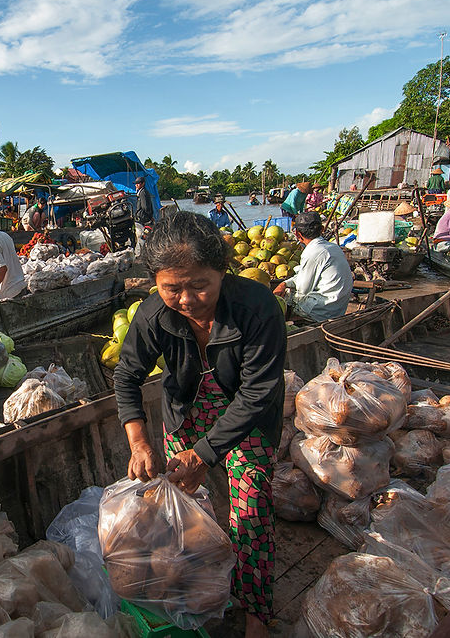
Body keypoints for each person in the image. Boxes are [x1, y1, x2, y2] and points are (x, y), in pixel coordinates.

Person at [113, 211, 284, 638]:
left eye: (199, 285)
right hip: (186, 411)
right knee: (183, 512)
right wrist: (138, 442)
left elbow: (258, 392)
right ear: (155, 281)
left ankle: (256, 612)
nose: (187, 299)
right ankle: (195, 589)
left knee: (252, 511)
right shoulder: (154, 315)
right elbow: (127, 376)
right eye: (172, 288)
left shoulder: (256, 308)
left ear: (221, 272)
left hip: (246, 417)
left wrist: (205, 455)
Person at [272, 211, 353, 322]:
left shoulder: (313, 252)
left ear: (298, 235)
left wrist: (285, 290)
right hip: (338, 307)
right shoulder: (333, 247)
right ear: (322, 230)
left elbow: (303, 288)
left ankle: (289, 324)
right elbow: (304, 276)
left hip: (324, 311)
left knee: (286, 296)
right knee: (287, 289)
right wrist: (284, 283)